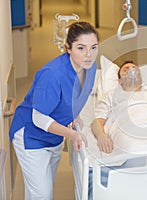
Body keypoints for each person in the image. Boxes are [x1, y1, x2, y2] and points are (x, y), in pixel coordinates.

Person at [9, 21, 99, 199]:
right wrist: (72, 135)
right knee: (42, 194)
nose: (89, 54)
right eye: (81, 48)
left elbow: (76, 94)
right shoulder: (52, 74)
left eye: (94, 47)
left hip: (54, 135)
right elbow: (39, 118)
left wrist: (76, 115)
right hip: (31, 135)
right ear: (68, 48)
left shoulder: (90, 67)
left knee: (41, 190)